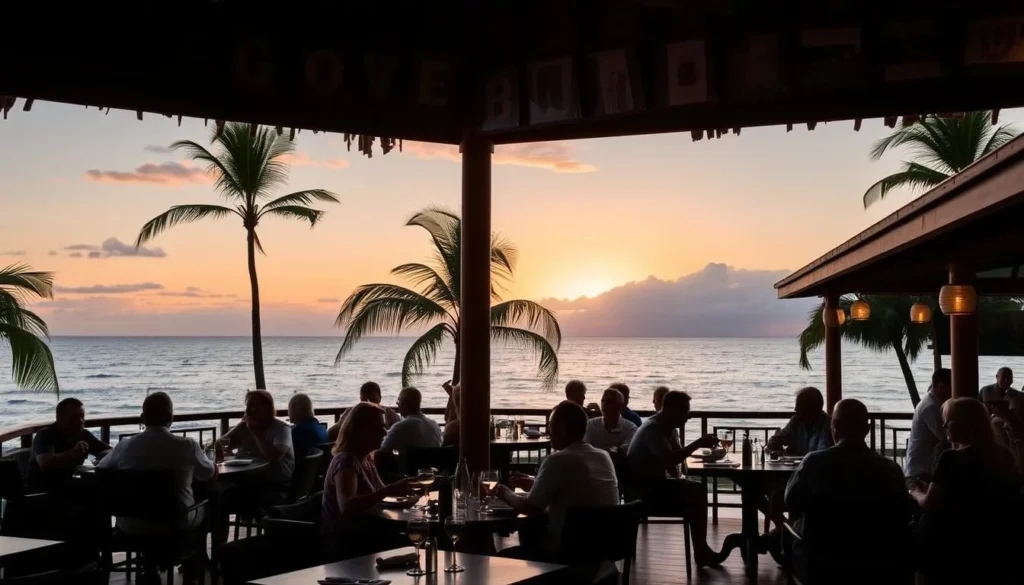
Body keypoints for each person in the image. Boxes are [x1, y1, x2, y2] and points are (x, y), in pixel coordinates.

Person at [784, 399, 913, 582]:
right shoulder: (890, 469)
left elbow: (791, 501)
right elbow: (902, 513)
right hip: (877, 562)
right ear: (867, 430)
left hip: (821, 563)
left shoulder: (814, 463)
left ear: (833, 426)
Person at [911, 397, 1021, 582]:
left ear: (967, 425)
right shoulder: (1003, 456)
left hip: (950, 545)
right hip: (990, 542)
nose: (944, 425)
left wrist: (915, 491)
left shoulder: (951, 458)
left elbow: (931, 502)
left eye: (949, 421)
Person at [496, 401, 619, 553]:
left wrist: (502, 491)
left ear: (562, 429)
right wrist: (535, 483)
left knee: (496, 558)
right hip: (603, 551)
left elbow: (529, 507)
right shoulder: (603, 456)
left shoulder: (557, 460)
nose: (548, 430)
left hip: (566, 553)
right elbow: (575, 489)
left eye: (551, 425)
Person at [626, 390, 724, 567]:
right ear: (672, 410)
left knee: (695, 491)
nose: (688, 417)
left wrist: (699, 456)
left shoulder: (668, 429)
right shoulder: (653, 429)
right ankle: (701, 551)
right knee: (698, 491)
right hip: (644, 492)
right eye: (685, 411)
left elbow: (675, 461)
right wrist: (698, 444)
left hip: (655, 485)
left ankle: (701, 550)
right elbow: (672, 459)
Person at [97, 392, 217, 534]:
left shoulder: (124, 446)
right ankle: (202, 553)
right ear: (170, 417)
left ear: (142, 418)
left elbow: (101, 470)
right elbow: (208, 474)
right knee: (212, 498)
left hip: (130, 526)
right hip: (175, 525)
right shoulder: (187, 446)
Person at [321, 402, 413, 535]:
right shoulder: (346, 461)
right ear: (362, 430)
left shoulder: (367, 458)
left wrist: (408, 487)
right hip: (345, 541)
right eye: (379, 427)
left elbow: (382, 492)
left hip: (367, 530)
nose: (385, 432)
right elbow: (347, 507)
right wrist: (391, 489)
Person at [26, 398, 111, 493]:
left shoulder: (83, 435)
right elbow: (45, 463)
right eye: (74, 417)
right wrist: (75, 452)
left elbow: (111, 451)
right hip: (41, 491)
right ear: (59, 418)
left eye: (82, 416)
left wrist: (105, 455)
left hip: (67, 486)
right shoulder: (45, 435)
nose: (80, 421)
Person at [221, 390, 295, 489]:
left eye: (252, 406)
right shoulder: (245, 427)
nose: (247, 411)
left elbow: (273, 456)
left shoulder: (282, 429)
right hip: (250, 476)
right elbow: (220, 445)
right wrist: (239, 427)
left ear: (266, 408)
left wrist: (255, 433)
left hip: (275, 482)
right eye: (246, 406)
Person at [904, 368, 952, 486]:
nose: (953, 392)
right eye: (951, 387)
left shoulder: (930, 402)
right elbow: (946, 437)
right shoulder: (931, 407)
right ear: (941, 386)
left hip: (922, 468)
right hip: (920, 472)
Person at [768, 387, 833, 456]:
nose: (795, 409)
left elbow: (822, 454)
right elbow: (774, 440)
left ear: (812, 407)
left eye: (799, 405)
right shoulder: (796, 421)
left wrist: (791, 455)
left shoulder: (827, 425)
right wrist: (780, 452)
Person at [328, 382, 401, 440]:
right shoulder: (351, 412)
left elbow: (401, 431)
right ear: (360, 399)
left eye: (372, 400)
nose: (368, 404)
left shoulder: (388, 413)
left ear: (380, 398)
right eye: (365, 401)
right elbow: (331, 433)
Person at [380, 387, 442, 453]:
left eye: (399, 401)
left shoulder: (400, 427)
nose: (397, 403)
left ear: (405, 403)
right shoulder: (435, 426)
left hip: (408, 463)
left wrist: (388, 429)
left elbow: (383, 450)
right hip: (431, 462)